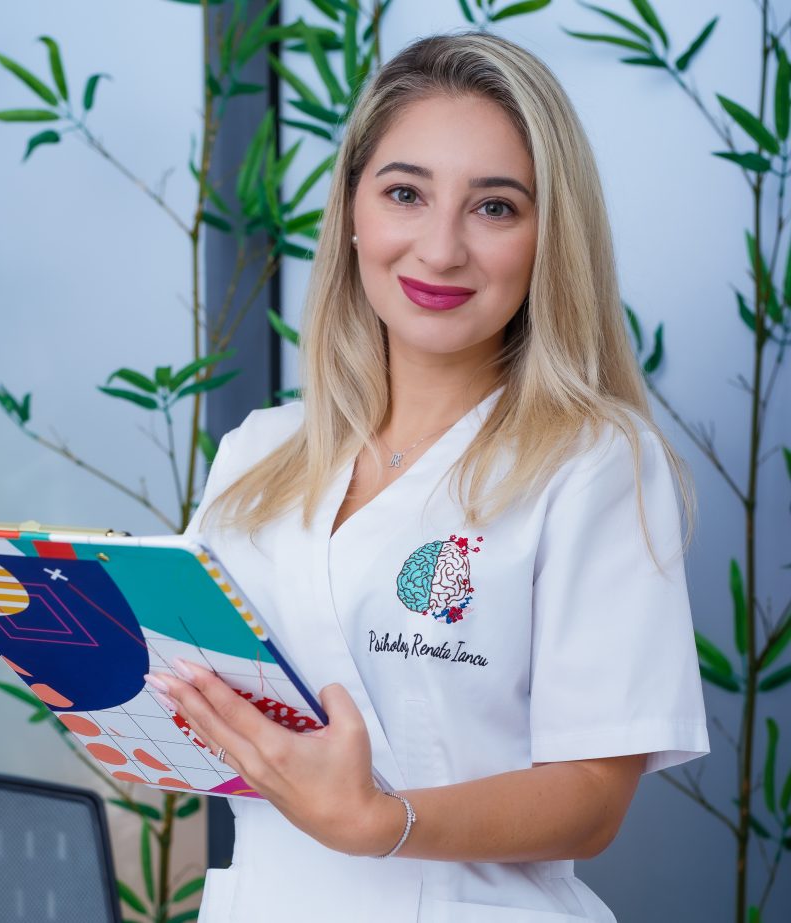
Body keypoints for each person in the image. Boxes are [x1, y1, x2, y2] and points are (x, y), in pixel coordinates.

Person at [145, 31, 709, 922]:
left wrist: (382, 821)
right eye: (406, 193)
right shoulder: (258, 453)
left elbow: (594, 795)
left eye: (495, 207)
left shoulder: (595, 461)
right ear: (354, 211)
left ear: (549, 238)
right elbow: (202, 713)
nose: (442, 250)